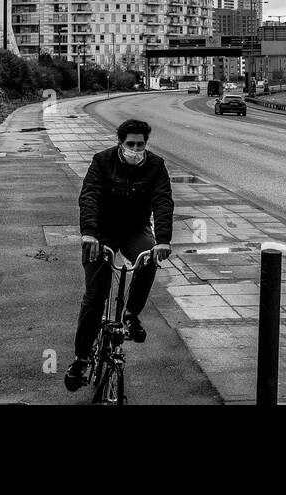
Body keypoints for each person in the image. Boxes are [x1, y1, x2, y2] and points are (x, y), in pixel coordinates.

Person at [64, 119, 174, 391]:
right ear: (120, 143)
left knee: (149, 258)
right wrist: (89, 232)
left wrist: (163, 240)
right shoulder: (102, 161)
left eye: (140, 144)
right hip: (102, 232)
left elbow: (163, 200)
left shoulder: (156, 165)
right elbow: (89, 194)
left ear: (146, 144)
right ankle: (80, 358)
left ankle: (131, 315)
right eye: (130, 144)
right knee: (95, 296)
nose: (136, 149)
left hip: (135, 230)